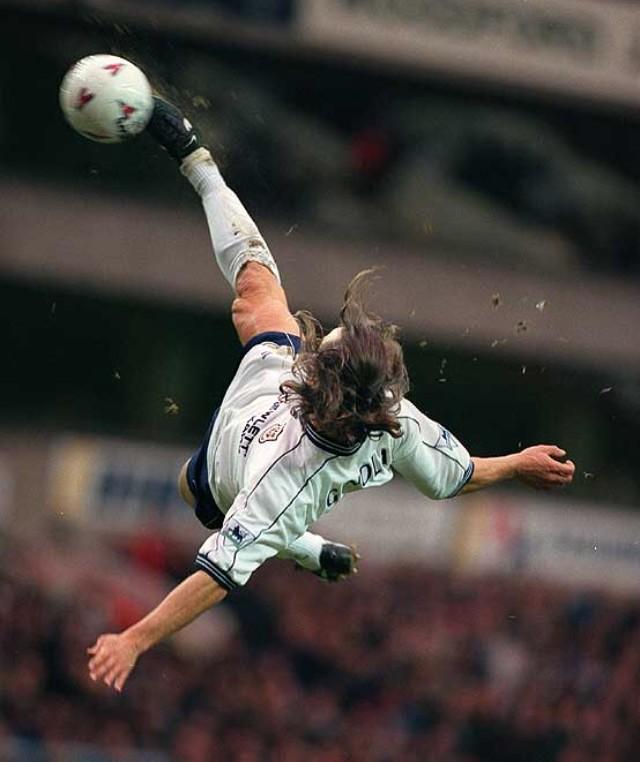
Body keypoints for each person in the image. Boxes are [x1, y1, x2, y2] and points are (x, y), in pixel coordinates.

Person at [87, 99, 575, 692]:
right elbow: (458, 475)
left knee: (203, 497)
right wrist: (517, 464)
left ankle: (306, 548)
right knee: (255, 287)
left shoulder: (281, 479)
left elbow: (214, 575)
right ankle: (194, 154)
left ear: (324, 374)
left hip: (223, 475)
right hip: (272, 392)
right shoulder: (395, 419)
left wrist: (132, 639)